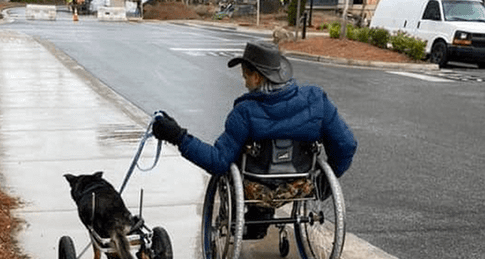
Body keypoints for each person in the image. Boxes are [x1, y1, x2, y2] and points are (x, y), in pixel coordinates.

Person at [152, 41, 357, 179]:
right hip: (300, 183)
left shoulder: (245, 112)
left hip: (257, 187)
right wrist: (323, 185)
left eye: (245, 76)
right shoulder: (316, 99)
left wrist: (178, 137)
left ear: (257, 78)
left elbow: (219, 162)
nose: (244, 83)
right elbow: (346, 145)